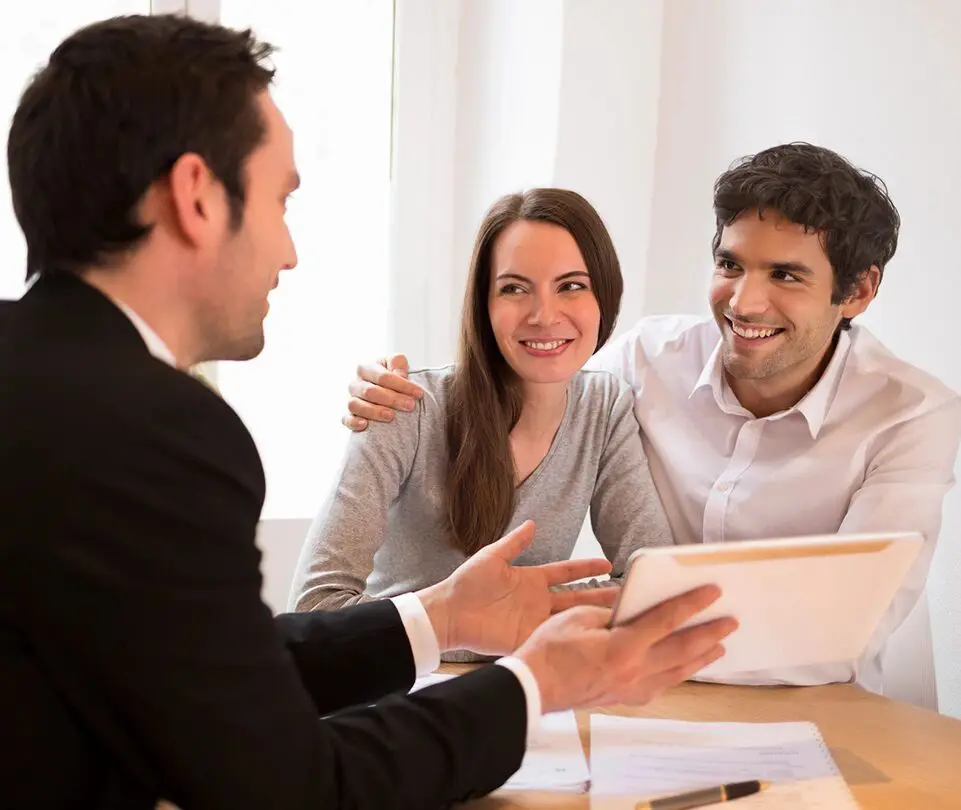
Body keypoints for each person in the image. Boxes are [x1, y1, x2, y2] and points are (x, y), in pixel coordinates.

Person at [0, 14, 738, 810]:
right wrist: (531, 686)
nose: (290, 252)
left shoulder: (43, 387)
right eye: (281, 200)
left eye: (571, 287)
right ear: (196, 198)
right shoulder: (157, 431)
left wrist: (439, 614)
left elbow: (210, 668)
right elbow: (289, 783)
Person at [344, 142, 961, 693]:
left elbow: (839, 629)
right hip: (653, 692)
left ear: (856, 292)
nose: (744, 301)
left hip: (829, 702)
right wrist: (395, 392)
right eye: (730, 265)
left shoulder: (911, 416)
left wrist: (588, 628)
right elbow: (544, 363)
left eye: (786, 275)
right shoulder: (646, 360)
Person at [289, 188, 673, 648]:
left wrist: (520, 613)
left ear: (604, 296)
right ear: (483, 305)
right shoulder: (406, 407)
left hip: (526, 687)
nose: (543, 315)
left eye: (571, 285)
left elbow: (653, 583)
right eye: (514, 288)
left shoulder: (604, 407)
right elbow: (315, 611)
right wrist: (472, 620)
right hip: (401, 690)